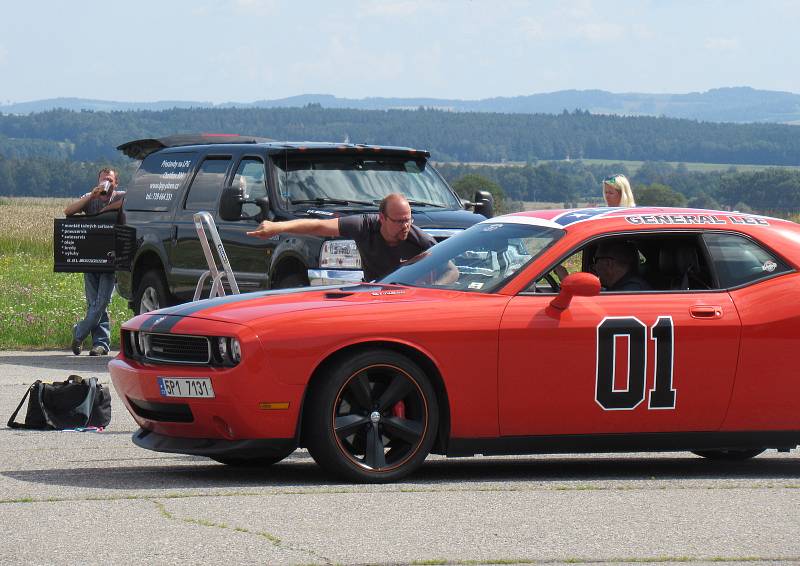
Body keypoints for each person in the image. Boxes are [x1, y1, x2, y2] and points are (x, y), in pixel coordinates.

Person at [247, 193, 445, 282]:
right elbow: (319, 225)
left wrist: (432, 288)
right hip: (373, 292)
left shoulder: (420, 241)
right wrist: (277, 227)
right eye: (399, 221)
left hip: (409, 299)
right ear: (382, 218)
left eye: (408, 220)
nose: (406, 226)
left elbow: (451, 270)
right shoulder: (364, 225)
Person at [64, 168, 126, 356]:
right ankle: (100, 344)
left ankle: (79, 332)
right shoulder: (91, 196)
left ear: (116, 183)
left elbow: (133, 200)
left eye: (109, 180)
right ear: (98, 181)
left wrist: (107, 208)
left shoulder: (121, 196)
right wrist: (92, 196)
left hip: (110, 259)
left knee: (102, 302)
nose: (106, 183)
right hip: (89, 257)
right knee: (94, 304)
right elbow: (68, 211)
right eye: (103, 179)